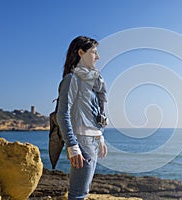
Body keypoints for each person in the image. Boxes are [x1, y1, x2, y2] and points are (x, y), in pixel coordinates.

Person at [56, 35, 108, 200]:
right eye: (93, 52)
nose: (97, 57)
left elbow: (92, 114)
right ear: (80, 52)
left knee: (82, 193)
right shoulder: (72, 80)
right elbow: (62, 114)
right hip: (81, 142)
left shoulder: (90, 83)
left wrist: (100, 137)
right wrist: (73, 146)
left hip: (92, 141)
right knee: (78, 195)